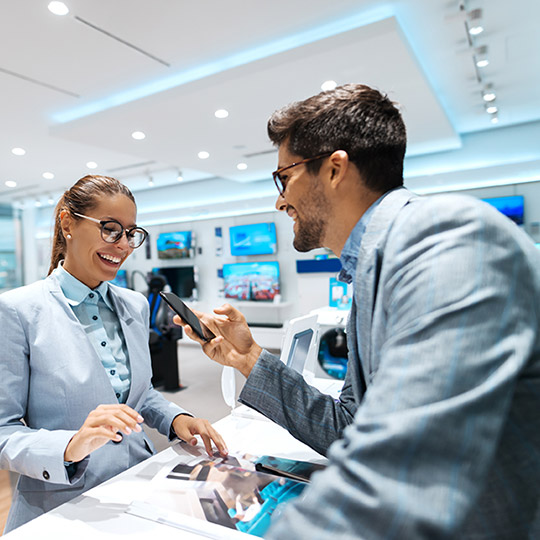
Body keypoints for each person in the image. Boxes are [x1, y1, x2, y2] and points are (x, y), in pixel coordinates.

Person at [176, 84, 540, 538]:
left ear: (334, 169)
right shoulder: (373, 270)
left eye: (283, 178)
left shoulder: (447, 238)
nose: (279, 200)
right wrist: (248, 358)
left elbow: (406, 470)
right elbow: (349, 427)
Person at [0, 175, 227, 533]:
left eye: (131, 233)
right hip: (62, 504)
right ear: (67, 223)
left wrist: (177, 419)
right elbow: (4, 431)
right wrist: (72, 445)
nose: (122, 245)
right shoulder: (17, 311)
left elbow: (141, 395)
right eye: (110, 230)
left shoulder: (135, 305)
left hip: (141, 485)